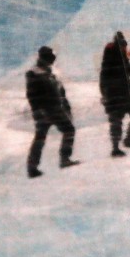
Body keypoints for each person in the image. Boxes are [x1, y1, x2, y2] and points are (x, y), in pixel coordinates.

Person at [24, 46, 79, 177]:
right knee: (63, 131)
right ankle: (61, 160)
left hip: (54, 110)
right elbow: (32, 95)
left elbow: (61, 93)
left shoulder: (51, 73)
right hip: (47, 111)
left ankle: (34, 167)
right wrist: (38, 111)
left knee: (44, 136)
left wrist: (67, 107)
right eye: (51, 57)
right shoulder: (34, 73)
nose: (53, 60)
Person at [99, 31, 130, 156]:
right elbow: (103, 78)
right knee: (116, 122)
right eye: (122, 46)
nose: (124, 48)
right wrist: (104, 95)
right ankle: (115, 148)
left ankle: (128, 139)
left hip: (127, 94)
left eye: (124, 45)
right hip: (113, 96)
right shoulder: (109, 58)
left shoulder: (126, 59)